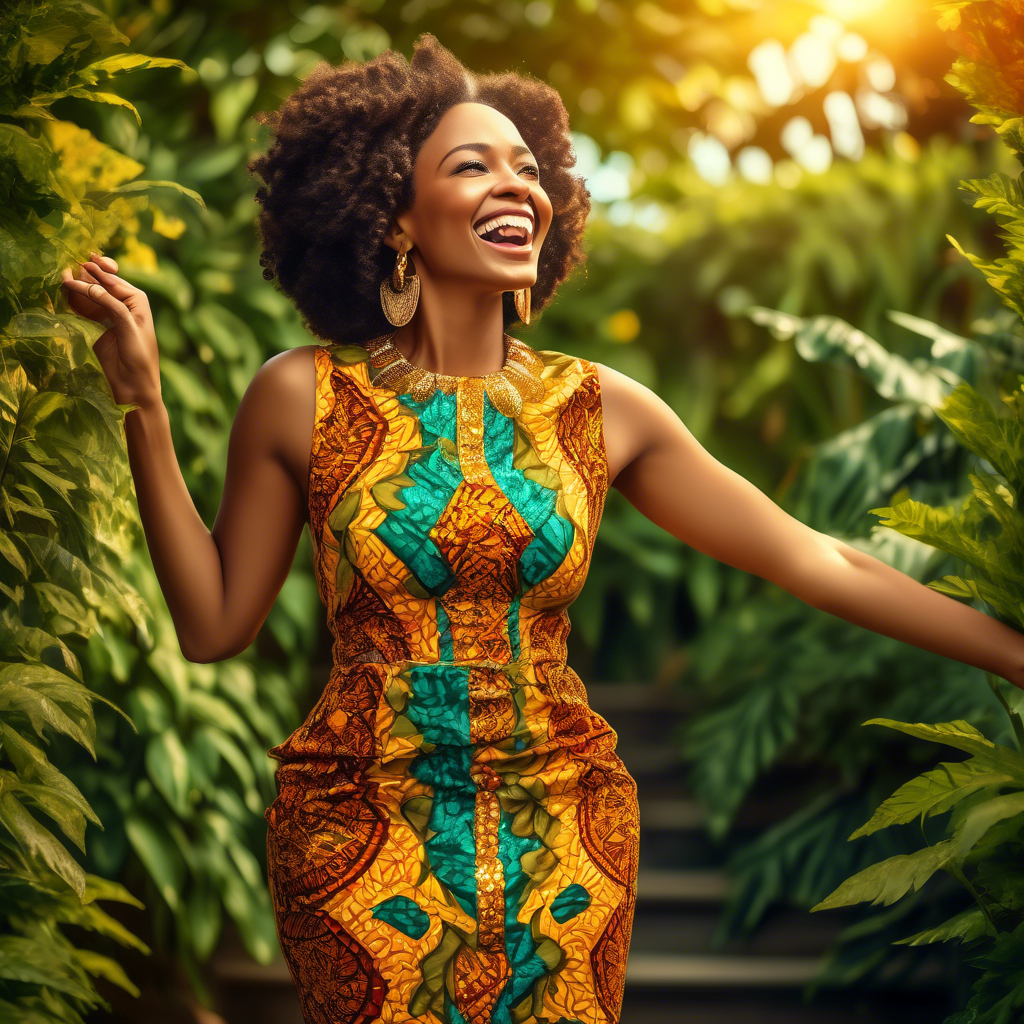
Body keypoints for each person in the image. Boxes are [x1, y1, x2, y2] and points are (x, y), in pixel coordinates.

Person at [60, 29, 1024, 1024]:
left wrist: (1012, 653)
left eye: (528, 169)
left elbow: (816, 559)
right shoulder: (300, 395)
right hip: (358, 826)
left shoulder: (602, 410)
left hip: (564, 826)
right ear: (395, 213)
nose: (515, 187)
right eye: (472, 166)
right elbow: (214, 626)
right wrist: (145, 406)